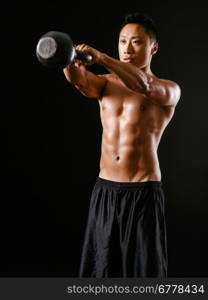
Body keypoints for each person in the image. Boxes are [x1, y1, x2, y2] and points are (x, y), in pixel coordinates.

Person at [63, 12, 181, 278]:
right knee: (100, 273)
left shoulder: (168, 89)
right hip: (105, 191)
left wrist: (102, 57)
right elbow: (78, 80)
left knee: (143, 276)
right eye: (122, 40)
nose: (127, 48)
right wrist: (67, 57)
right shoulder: (106, 84)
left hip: (142, 194)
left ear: (153, 47)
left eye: (136, 42)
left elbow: (144, 84)